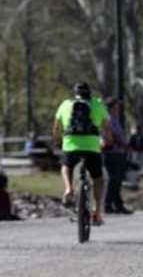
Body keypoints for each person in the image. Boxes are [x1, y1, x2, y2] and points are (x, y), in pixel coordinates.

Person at [51, 82, 113, 226]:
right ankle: (97, 212)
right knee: (98, 178)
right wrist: (109, 140)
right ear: (89, 92)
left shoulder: (66, 104)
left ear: (75, 93)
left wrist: (57, 140)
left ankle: (68, 188)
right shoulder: (97, 104)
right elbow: (107, 127)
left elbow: (56, 127)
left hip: (70, 144)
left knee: (66, 167)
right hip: (92, 146)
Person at [102, 98, 133, 215]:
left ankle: (118, 204)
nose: (118, 108)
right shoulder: (109, 119)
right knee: (113, 179)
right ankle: (108, 204)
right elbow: (112, 136)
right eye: (116, 106)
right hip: (111, 153)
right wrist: (125, 145)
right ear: (111, 107)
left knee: (117, 180)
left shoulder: (115, 119)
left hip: (118, 152)